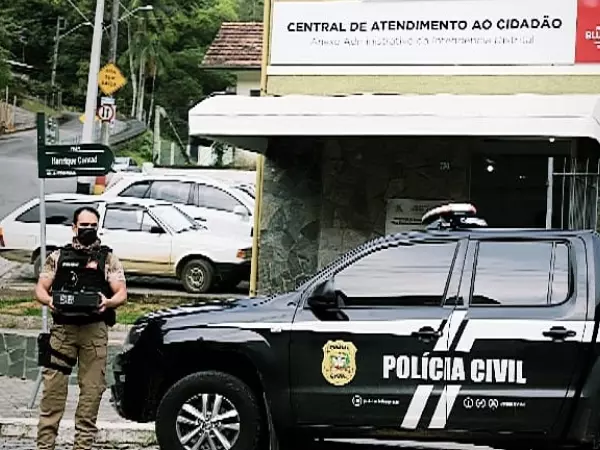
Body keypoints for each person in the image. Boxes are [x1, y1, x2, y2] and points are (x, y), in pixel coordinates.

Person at [34, 206, 127, 450]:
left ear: (98, 228)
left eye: (92, 226)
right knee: (52, 394)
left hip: (94, 332)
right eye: (83, 226)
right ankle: (45, 446)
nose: (88, 230)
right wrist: (50, 300)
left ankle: (83, 447)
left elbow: (121, 293)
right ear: (74, 228)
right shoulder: (57, 257)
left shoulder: (107, 258)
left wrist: (107, 302)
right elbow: (40, 289)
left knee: (91, 395)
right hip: (62, 332)